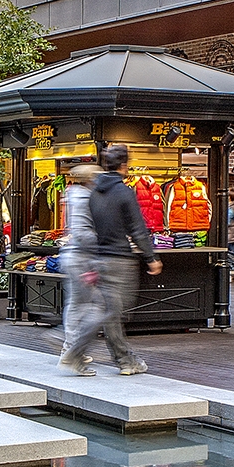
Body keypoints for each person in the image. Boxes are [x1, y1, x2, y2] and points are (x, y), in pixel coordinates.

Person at [63, 143, 162, 376]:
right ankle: (80, 353)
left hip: (100, 258)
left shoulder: (94, 192)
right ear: (125, 165)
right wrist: (151, 257)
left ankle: (123, 360)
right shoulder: (124, 192)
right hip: (120, 260)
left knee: (108, 311)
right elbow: (137, 229)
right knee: (111, 312)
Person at [59, 163, 103, 368]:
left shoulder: (74, 196)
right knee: (88, 306)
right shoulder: (85, 199)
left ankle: (72, 347)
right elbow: (84, 233)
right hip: (81, 259)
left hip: (75, 257)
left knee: (78, 304)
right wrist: (103, 241)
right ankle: (71, 349)